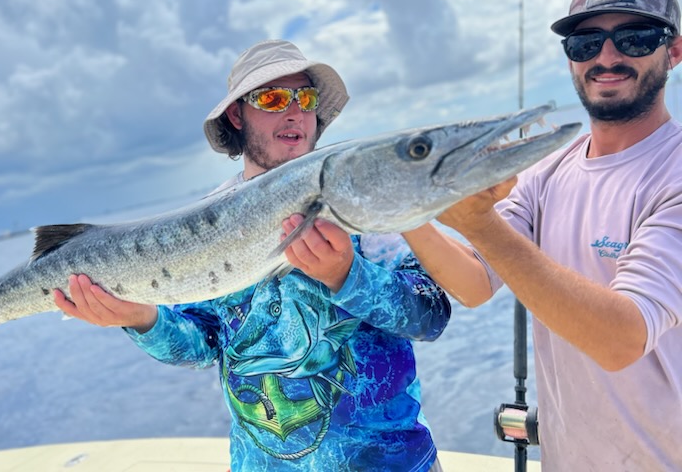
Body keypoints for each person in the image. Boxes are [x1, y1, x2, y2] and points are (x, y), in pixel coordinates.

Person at [54, 39, 452, 472]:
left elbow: (431, 316)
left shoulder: (358, 198)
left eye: (306, 97)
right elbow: (203, 345)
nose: (295, 111)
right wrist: (140, 319)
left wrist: (348, 275)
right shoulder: (206, 225)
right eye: (273, 98)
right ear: (236, 114)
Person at [403, 0, 682, 471]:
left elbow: (622, 339)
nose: (607, 57)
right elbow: (473, 282)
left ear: (675, 51)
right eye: (586, 43)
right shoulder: (545, 170)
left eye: (634, 38)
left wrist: (480, 223)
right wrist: (402, 204)